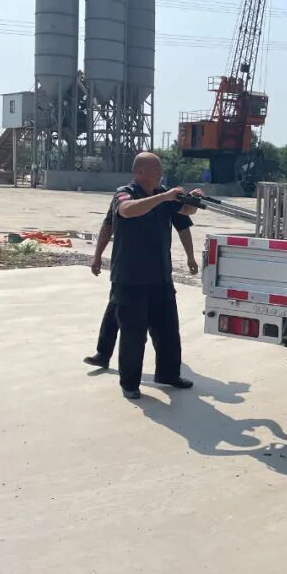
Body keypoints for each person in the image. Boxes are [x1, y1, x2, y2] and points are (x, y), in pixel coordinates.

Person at [108, 152, 202, 399]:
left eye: (160, 169)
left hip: (160, 277)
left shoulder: (163, 195)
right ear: (140, 172)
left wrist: (194, 199)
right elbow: (127, 210)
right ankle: (130, 383)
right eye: (155, 170)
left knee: (168, 331)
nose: (160, 174)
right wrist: (164, 196)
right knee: (133, 335)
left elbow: (186, 212)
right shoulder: (125, 193)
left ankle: (169, 374)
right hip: (130, 279)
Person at [84, 201, 198, 369]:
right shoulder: (124, 197)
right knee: (114, 311)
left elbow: (183, 226)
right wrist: (97, 255)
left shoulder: (167, 199)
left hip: (157, 274)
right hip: (125, 271)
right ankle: (103, 354)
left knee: (160, 323)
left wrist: (190, 257)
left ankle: (166, 367)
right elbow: (108, 225)